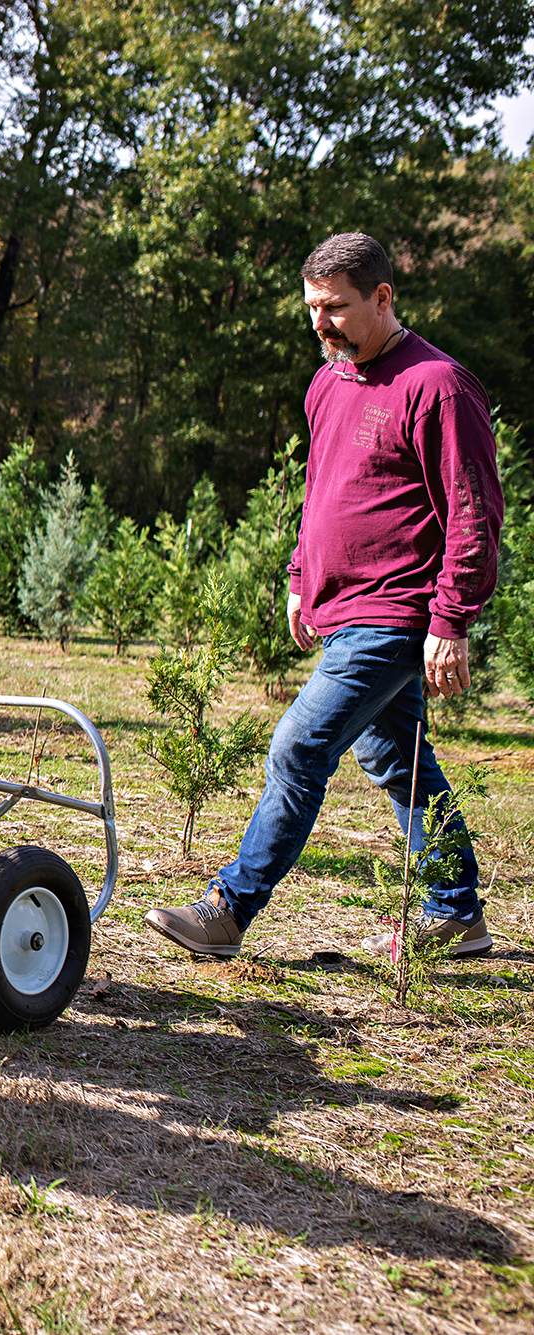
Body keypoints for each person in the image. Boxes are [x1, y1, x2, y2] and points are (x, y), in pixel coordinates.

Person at [145, 232, 503, 961]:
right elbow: (322, 491)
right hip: (339, 606)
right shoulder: (326, 383)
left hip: (397, 609)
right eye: (312, 308)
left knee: (298, 746)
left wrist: (452, 618)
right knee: (400, 762)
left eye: (336, 307)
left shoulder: (437, 385)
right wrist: (301, 577)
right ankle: (456, 911)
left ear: (382, 298)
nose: (321, 323)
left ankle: (229, 907)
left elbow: (473, 510)